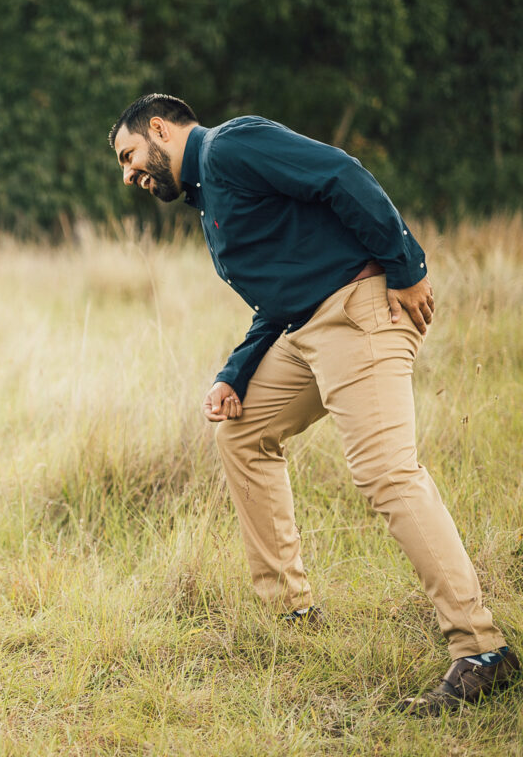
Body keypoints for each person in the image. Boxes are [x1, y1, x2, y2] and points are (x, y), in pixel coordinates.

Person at [108, 93, 517, 714]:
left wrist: (405, 265)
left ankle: (482, 649)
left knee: (386, 474)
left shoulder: (231, 146)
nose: (131, 175)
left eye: (130, 155)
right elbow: (280, 296)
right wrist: (234, 374)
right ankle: (289, 612)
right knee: (241, 433)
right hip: (307, 330)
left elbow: (340, 174)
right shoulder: (209, 195)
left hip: (358, 311)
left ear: (159, 128)